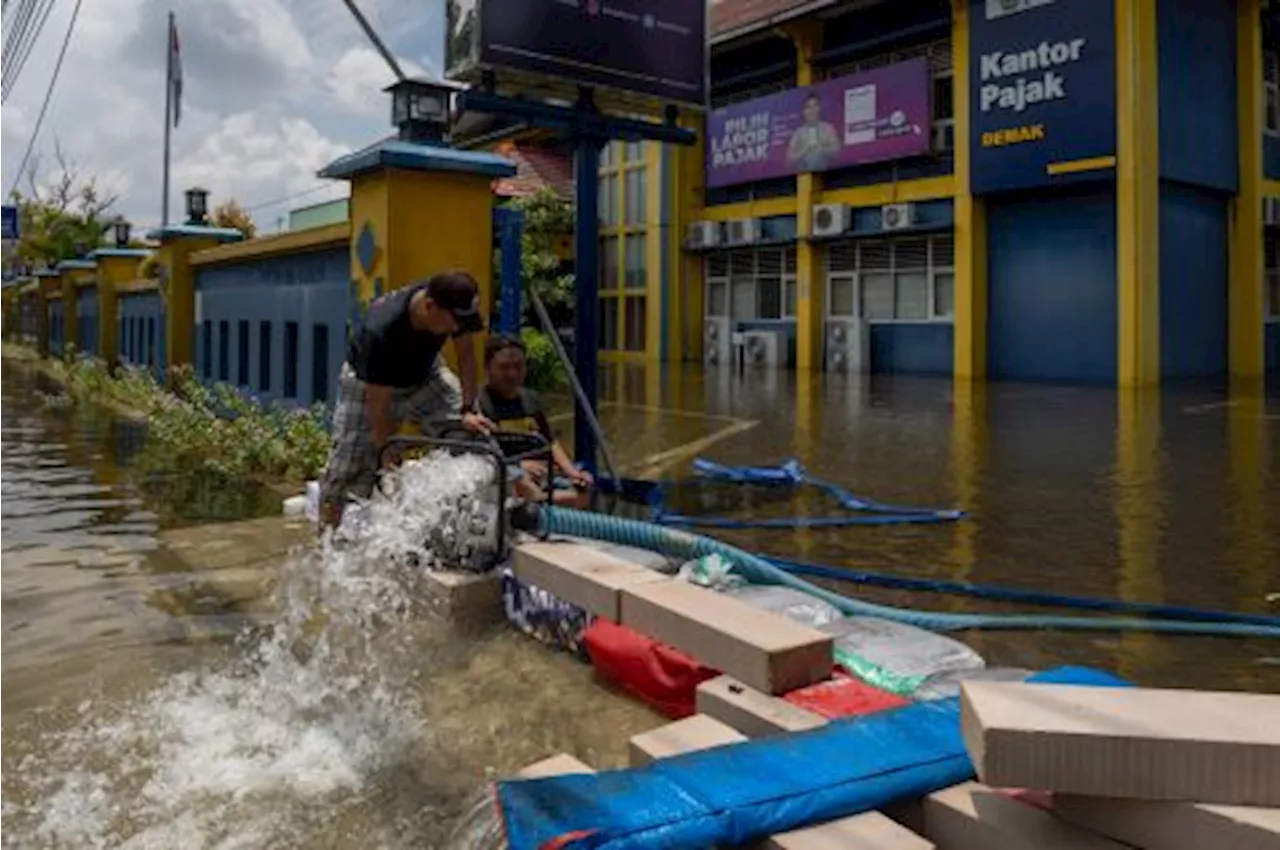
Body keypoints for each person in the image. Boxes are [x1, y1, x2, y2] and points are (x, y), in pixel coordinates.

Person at [318, 270, 495, 528]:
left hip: (424, 372)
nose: (456, 328)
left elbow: (466, 356)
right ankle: (327, 538)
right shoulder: (381, 330)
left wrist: (468, 408)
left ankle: (456, 526)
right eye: (452, 321)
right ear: (429, 306)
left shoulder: (455, 301)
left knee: (471, 435)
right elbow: (378, 402)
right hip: (368, 383)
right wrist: (386, 451)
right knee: (349, 467)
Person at [476, 333, 593, 508]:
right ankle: (539, 507)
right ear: (487, 368)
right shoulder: (479, 404)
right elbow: (480, 455)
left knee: (585, 490)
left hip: (542, 474)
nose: (512, 373)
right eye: (504, 367)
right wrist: (519, 466)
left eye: (518, 367)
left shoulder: (531, 399)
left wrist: (573, 473)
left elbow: (550, 442)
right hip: (508, 477)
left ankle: (545, 505)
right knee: (520, 483)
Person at [787, 93, 841, 173]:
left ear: (820, 108)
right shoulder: (798, 133)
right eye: (808, 107)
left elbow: (837, 150)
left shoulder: (827, 128)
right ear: (804, 111)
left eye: (815, 106)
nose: (812, 110)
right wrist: (804, 151)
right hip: (803, 176)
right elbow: (790, 159)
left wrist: (822, 150)